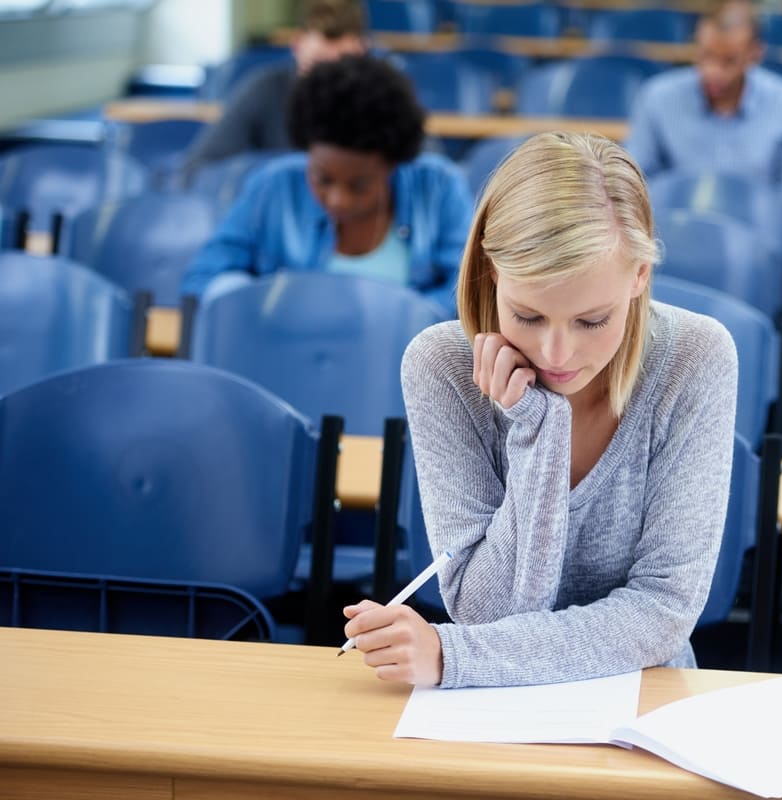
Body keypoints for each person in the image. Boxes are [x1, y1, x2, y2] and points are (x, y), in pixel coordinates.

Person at [342, 132, 739, 688]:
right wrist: (537, 427)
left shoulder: (697, 356)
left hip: (646, 699)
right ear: (493, 271)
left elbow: (663, 612)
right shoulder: (439, 366)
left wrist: (454, 657)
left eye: (591, 320)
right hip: (491, 711)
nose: (556, 354)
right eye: (528, 316)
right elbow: (487, 612)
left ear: (640, 275)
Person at [180, 54, 472, 313]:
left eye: (359, 185)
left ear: (393, 164)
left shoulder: (439, 188)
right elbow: (202, 280)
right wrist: (258, 302)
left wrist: (398, 318)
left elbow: (470, 292)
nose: (337, 200)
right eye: (322, 179)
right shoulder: (272, 187)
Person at [624, 0, 782, 208]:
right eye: (705, 55)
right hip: (673, 230)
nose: (713, 72)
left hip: (761, 234)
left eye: (728, 61)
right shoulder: (656, 97)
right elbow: (634, 180)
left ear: (755, 53)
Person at [181, 0, 368, 173]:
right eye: (316, 66)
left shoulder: (377, 100)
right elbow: (199, 169)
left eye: (341, 67)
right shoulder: (264, 90)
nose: (326, 81)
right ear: (296, 46)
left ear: (362, 51)